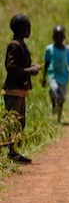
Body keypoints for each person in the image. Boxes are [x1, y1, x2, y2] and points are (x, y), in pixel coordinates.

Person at [2, 14, 42, 164]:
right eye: (29, 27)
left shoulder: (20, 44)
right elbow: (11, 67)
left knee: (19, 122)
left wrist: (31, 67)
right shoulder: (15, 45)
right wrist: (29, 70)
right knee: (12, 122)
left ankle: (13, 151)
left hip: (20, 90)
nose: (30, 30)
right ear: (24, 29)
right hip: (13, 90)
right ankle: (10, 152)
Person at [42, 25, 69, 124]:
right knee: (55, 90)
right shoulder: (49, 49)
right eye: (56, 36)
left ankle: (59, 118)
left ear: (64, 37)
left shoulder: (67, 50)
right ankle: (54, 103)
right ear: (53, 37)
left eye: (60, 36)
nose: (58, 38)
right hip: (53, 75)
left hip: (64, 78)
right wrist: (44, 77)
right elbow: (47, 63)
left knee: (61, 98)